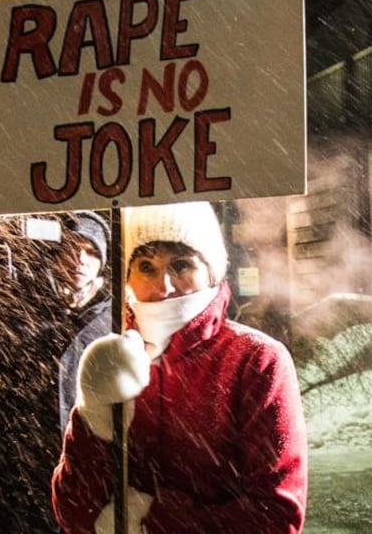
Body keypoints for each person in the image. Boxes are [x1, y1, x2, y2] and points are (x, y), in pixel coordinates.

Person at [52, 201, 308, 534]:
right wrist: (95, 414)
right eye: (146, 266)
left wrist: (152, 519)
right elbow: (72, 510)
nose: (164, 286)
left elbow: (275, 516)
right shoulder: (115, 357)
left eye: (182, 265)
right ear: (127, 277)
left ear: (212, 272)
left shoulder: (256, 360)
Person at [0, 211, 113, 534]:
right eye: (73, 247)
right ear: (57, 251)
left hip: (86, 469)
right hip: (22, 468)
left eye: (92, 251)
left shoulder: (114, 318)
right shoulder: (23, 304)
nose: (81, 260)